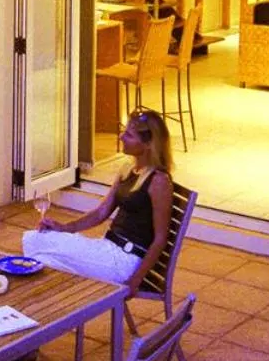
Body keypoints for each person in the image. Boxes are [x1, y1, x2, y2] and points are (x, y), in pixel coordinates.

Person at [21, 109, 173, 294]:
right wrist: (64, 228)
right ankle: (53, 308)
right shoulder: (128, 170)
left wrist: (135, 281)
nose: (121, 137)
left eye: (129, 135)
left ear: (148, 144)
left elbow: (160, 239)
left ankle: (45, 305)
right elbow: (101, 213)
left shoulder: (159, 181)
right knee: (39, 243)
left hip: (123, 262)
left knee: (41, 253)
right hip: (107, 249)